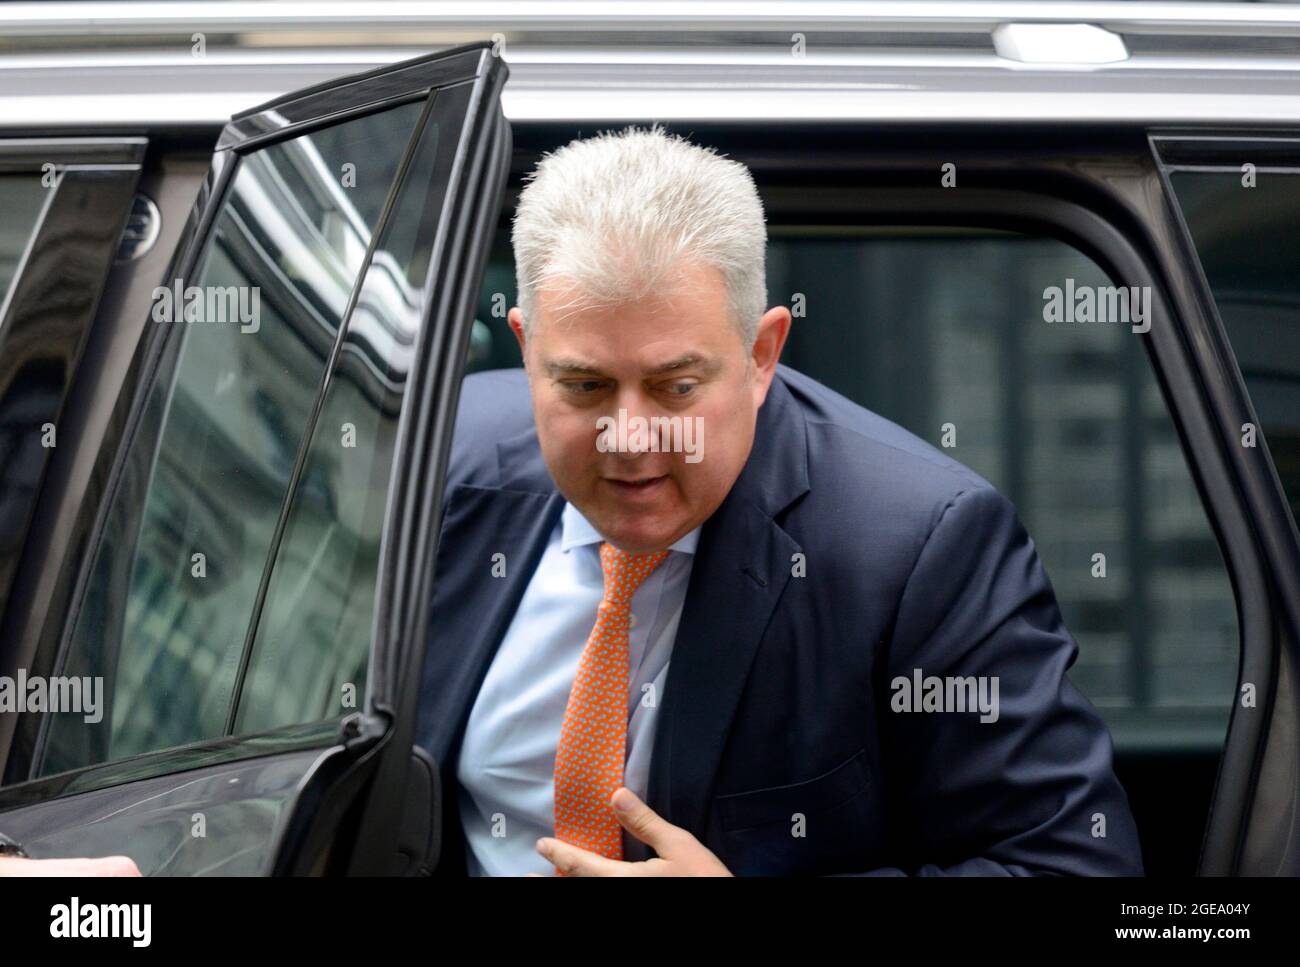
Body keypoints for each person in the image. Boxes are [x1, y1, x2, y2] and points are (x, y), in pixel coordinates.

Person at [415, 125, 1143, 876]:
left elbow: (1073, 867)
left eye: (676, 387)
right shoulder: (441, 460)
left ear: (762, 355)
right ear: (526, 346)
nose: (628, 438)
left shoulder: (921, 549)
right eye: (584, 385)